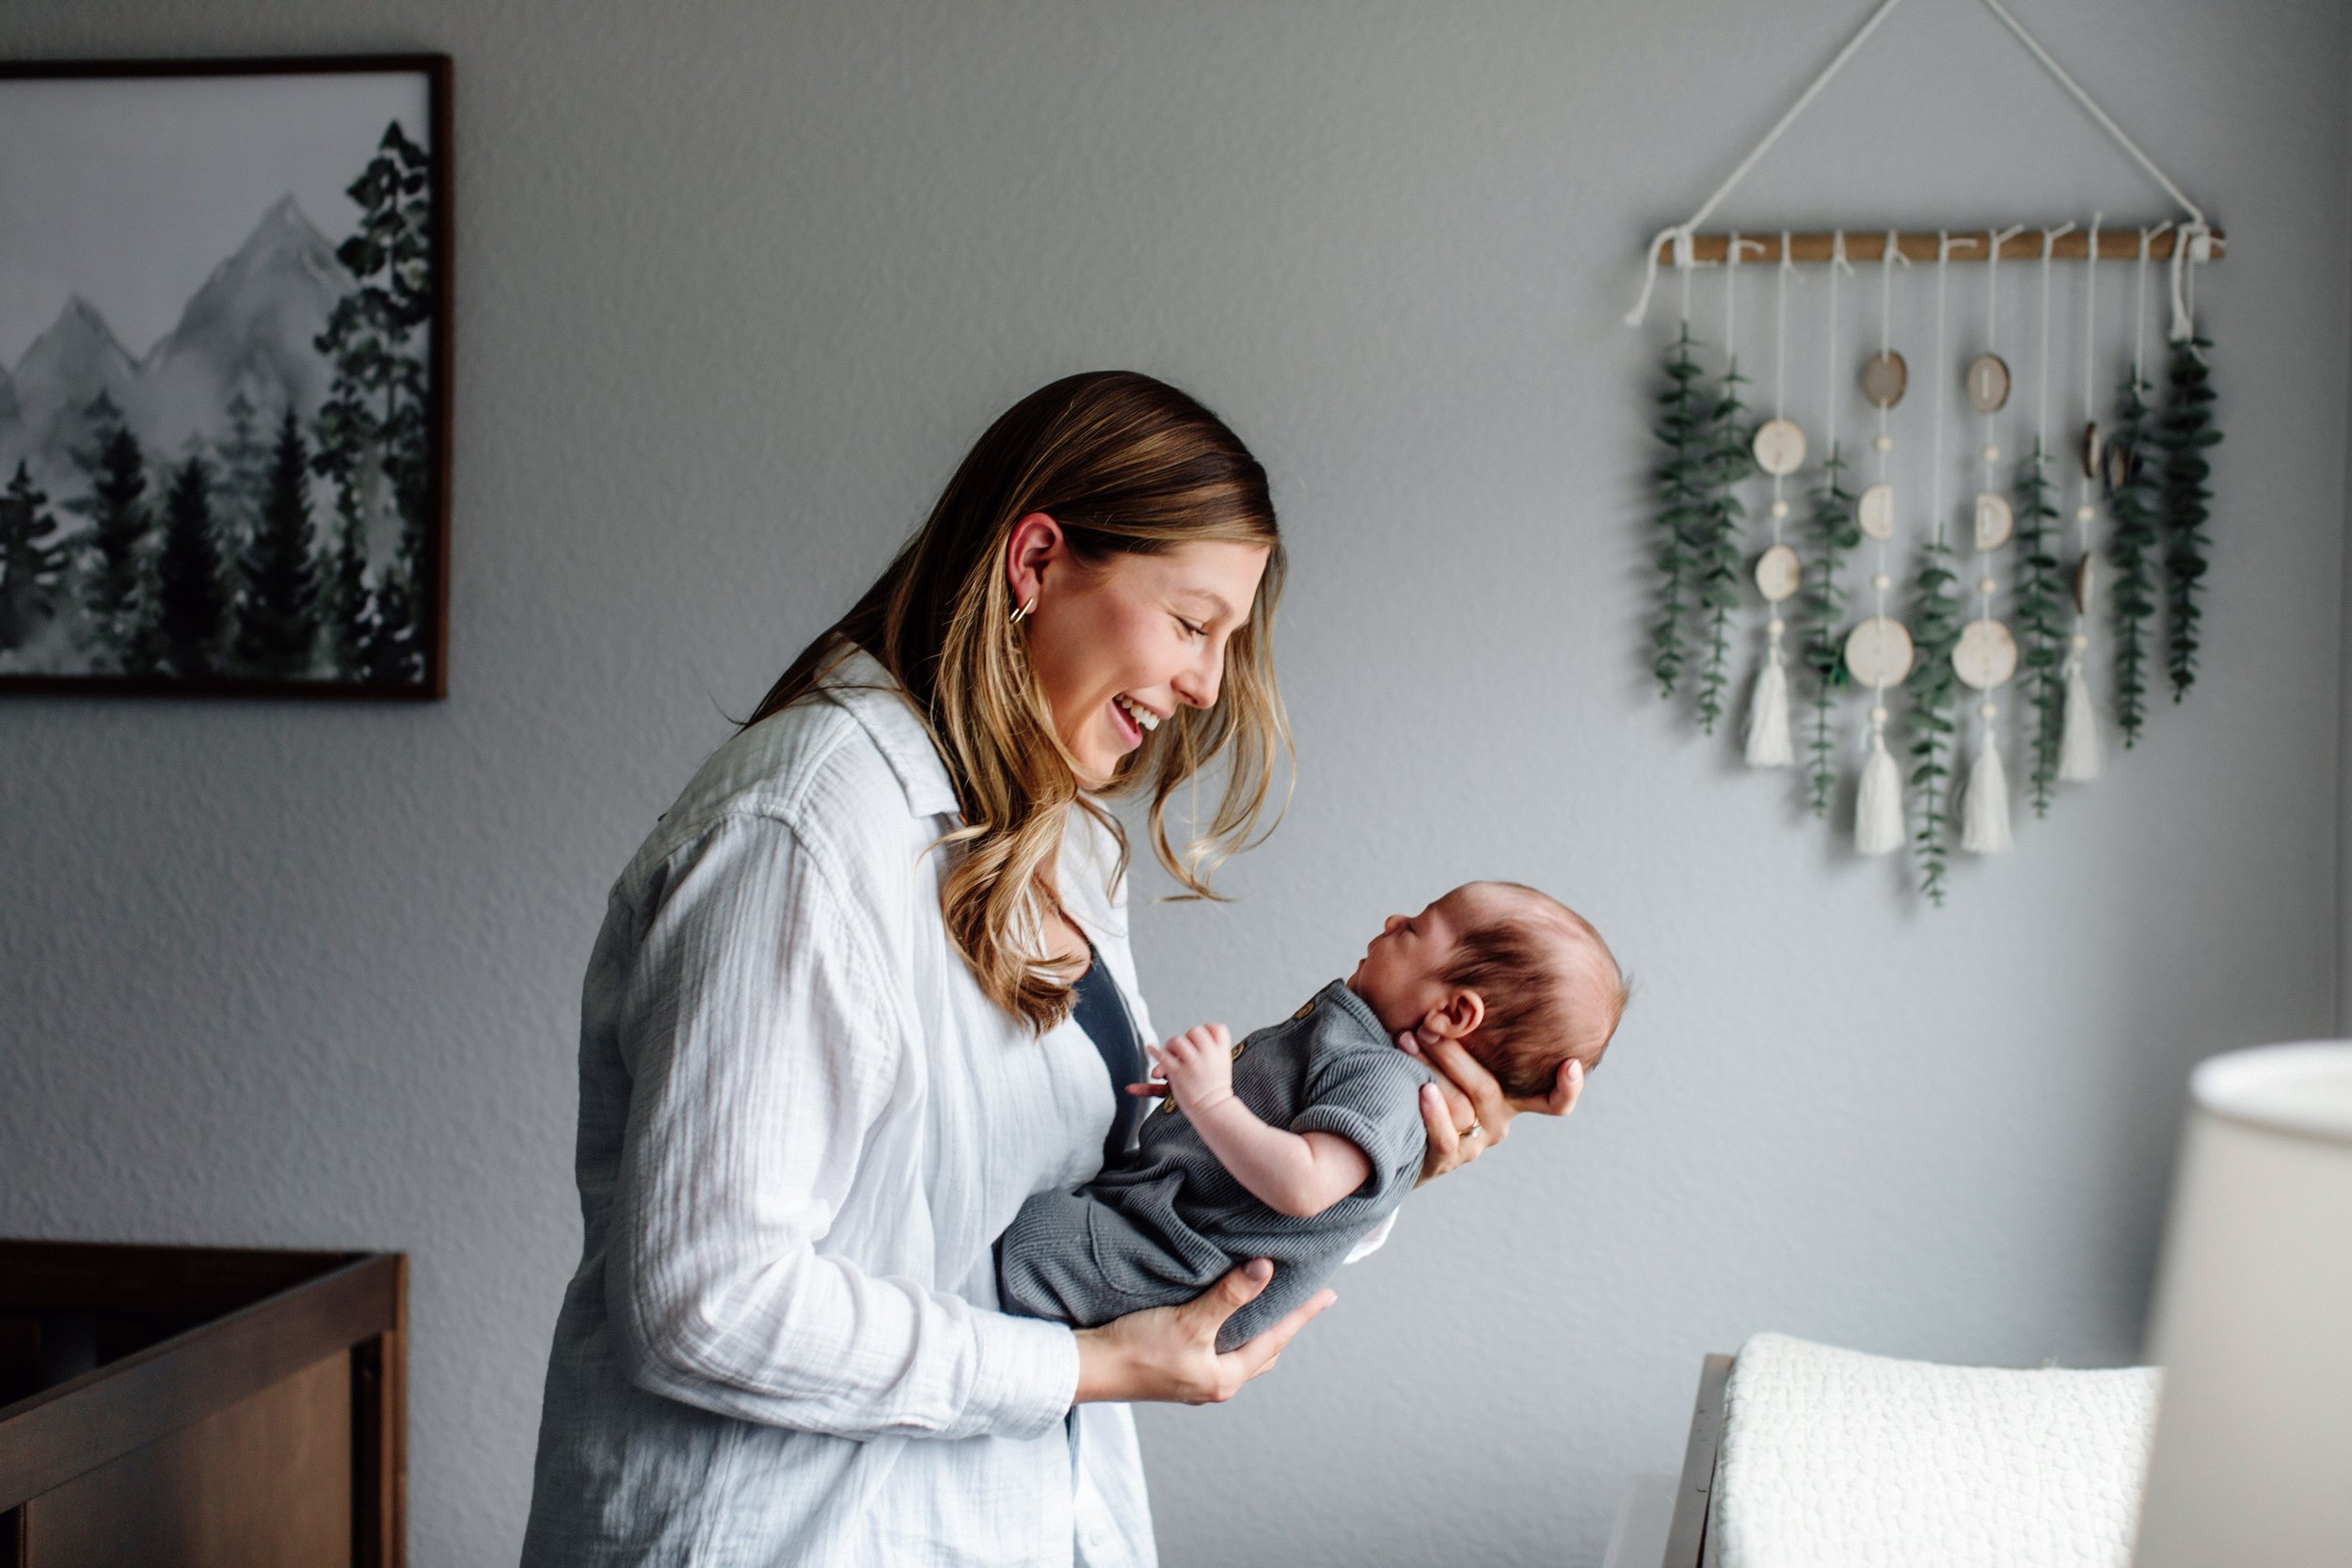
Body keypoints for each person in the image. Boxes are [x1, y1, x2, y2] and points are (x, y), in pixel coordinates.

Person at [518, 372, 1586, 1567]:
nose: (1206, 686)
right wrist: (1085, 1365)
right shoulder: (808, 832)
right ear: (1035, 563)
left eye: (1226, 644)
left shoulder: (1066, 846)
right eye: (1192, 625)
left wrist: (1383, 1150)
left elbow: (1140, 1206)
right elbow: (705, 1303)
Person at [997, 880, 1627, 1351]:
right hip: (1153, 1224)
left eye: (1415, 928)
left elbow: (1303, 1185)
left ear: (1455, 1013)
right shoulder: (1358, 1049)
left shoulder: (1384, 1082)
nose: (1391, 920)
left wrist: (1212, 1100)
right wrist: (1198, 1098)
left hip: (1178, 1263)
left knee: (1021, 1243)